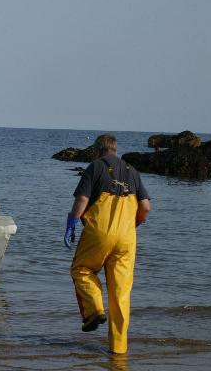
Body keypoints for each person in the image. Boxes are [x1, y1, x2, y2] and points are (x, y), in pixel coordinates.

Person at [64, 134, 151, 354]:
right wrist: (133, 225)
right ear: (115, 149)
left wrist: (72, 222)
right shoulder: (133, 171)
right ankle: (119, 349)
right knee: (121, 293)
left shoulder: (95, 167)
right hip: (127, 239)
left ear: (97, 150)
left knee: (82, 269)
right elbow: (146, 207)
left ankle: (94, 311)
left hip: (99, 232)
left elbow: (82, 200)